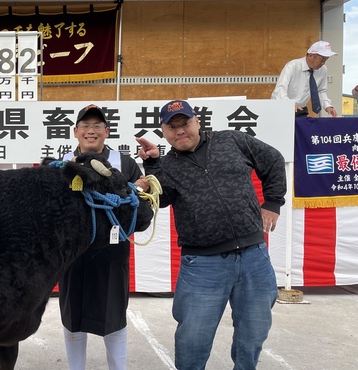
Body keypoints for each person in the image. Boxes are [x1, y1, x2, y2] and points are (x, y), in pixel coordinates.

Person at [136, 100, 286, 370]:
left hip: (254, 258)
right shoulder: (166, 164)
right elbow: (164, 197)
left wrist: (272, 202)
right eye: (172, 127)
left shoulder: (231, 140)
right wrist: (154, 166)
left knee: (253, 333)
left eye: (185, 123)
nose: (180, 131)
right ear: (164, 131)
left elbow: (273, 159)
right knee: (192, 340)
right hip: (202, 264)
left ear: (197, 121)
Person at [58, 104, 148, 370]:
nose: (91, 131)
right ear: (75, 131)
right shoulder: (62, 164)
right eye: (85, 125)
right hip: (72, 255)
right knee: (72, 317)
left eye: (97, 126)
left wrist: (132, 192)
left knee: (113, 317)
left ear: (107, 132)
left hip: (112, 252)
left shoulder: (126, 164)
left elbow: (141, 213)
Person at [271, 40, 338, 117]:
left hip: (301, 109)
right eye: (322, 59)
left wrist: (327, 105)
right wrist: (289, 105)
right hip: (281, 107)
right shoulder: (292, 66)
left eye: (326, 59)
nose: (323, 63)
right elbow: (280, 89)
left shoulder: (323, 70)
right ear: (310, 56)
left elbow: (321, 90)